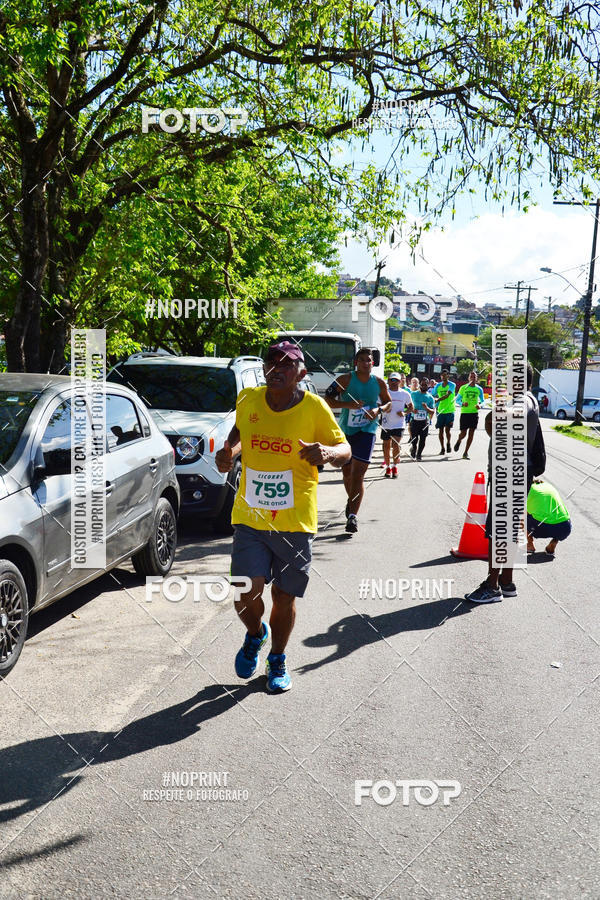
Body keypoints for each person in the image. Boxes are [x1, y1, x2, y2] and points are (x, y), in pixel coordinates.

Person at [215, 341, 351, 692]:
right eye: (270, 363)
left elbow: (346, 450)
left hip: (294, 521)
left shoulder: (315, 407)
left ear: (301, 373)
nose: (276, 369)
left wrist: (328, 452)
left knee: (284, 597)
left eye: (286, 365)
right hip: (250, 515)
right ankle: (255, 634)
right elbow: (241, 431)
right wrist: (230, 451)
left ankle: (277, 658)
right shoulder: (248, 399)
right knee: (246, 589)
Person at [465, 364, 540, 603]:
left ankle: (492, 585)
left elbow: (507, 418)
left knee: (500, 532)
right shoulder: (526, 399)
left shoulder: (523, 400)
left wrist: (494, 414)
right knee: (508, 529)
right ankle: (507, 582)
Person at [325, 347, 392, 533]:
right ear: (356, 362)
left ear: (373, 363)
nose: (365, 363)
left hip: (367, 431)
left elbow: (388, 403)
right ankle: (351, 500)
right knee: (347, 473)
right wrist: (347, 404)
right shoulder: (345, 380)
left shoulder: (378, 383)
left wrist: (378, 410)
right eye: (362, 360)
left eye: (369, 360)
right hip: (346, 431)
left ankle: (353, 517)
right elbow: (328, 398)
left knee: (358, 475)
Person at [527, 479, 571, 556]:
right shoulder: (550, 486)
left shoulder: (530, 489)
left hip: (542, 527)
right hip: (565, 528)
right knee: (559, 518)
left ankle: (529, 545)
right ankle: (554, 541)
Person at [381, 372, 412, 477]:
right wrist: (385, 409)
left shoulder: (404, 394)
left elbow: (411, 407)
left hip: (399, 424)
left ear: (400, 381)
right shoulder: (384, 393)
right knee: (386, 446)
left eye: (396, 380)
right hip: (386, 424)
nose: (394, 382)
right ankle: (388, 467)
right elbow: (378, 405)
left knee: (396, 445)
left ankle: (394, 466)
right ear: (388, 381)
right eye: (392, 380)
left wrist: (404, 412)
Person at [454, 371, 485, 459]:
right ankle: (459, 440)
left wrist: (480, 405)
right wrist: (462, 404)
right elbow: (457, 400)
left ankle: (465, 452)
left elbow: (483, 401)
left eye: (474, 377)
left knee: (471, 433)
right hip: (465, 413)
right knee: (463, 433)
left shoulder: (479, 389)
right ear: (468, 378)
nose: (472, 378)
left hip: (474, 413)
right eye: (471, 377)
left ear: (476, 379)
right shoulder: (463, 388)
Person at [430, 369, 456, 455]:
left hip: (449, 410)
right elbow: (432, 394)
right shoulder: (438, 386)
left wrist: (438, 399)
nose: (443, 376)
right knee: (440, 430)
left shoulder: (452, 385)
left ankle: (448, 443)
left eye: (445, 375)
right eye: (442, 375)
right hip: (440, 410)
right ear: (440, 376)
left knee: (447, 430)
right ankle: (442, 448)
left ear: (448, 376)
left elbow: (447, 395)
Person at [409, 375, 435, 461]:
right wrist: (412, 410)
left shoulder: (430, 397)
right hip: (415, 420)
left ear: (428, 385)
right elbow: (407, 406)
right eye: (422, 384)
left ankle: (419, 454)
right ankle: (414, 448)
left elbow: (432, 411)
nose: (424, 386)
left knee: (423, 439)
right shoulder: (413, 394)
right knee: (414, 438)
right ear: (420, 385)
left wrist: (427, 408)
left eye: (425, 385)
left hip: (424, 421)